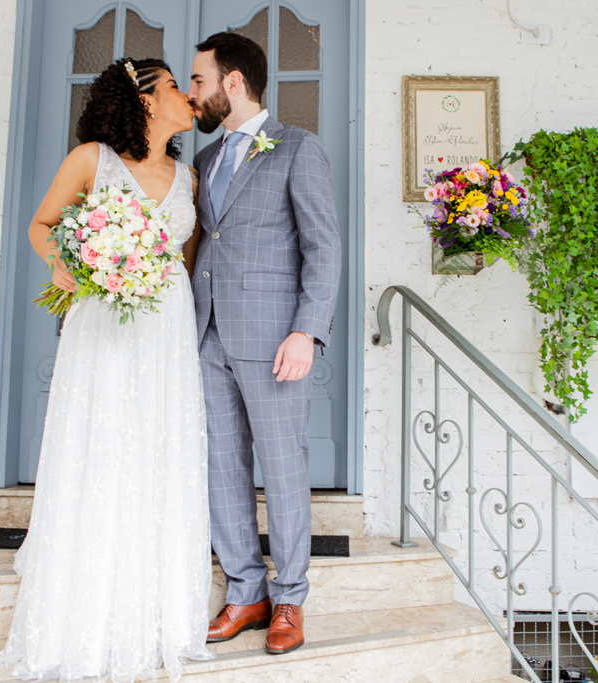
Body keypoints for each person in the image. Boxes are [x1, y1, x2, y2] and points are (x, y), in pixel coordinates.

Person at [0, 58, 212, 683]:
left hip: (164, 330)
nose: (186, 97)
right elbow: (42, 225)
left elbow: (185, 267)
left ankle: (159, 611)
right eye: (174, 86)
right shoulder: (92, 160)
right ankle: (83, 609)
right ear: (144, 99)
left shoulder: (189, 178)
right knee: (102, 448)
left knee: (157, 454)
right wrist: (64, 264)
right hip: (102, 325)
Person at [187, 33, 342, 655]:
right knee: (221, 466)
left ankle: (290, 597)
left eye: (198, 81)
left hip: (278, 339)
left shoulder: (298, 149)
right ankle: (245, 591)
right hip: (207, 335)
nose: (192, 92)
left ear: (232, 83)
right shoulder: (201, 162)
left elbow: (322, 248)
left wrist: (307, 329)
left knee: (282, 468)